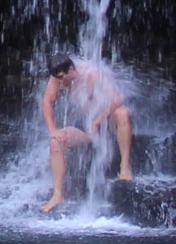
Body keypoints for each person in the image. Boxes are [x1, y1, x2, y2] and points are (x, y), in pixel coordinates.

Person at [38, 56, 134, 211]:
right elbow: (47, 101)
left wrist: (97, 121)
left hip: (107, 121)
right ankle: (58, 195)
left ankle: (124, 168)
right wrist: (53, 130)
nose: (60, 82)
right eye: (57, 79)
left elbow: (117, 100)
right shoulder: (57, 77)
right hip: (85, 124)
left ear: (71, 69)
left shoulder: (93, 74)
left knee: (123, 113)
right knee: (56, 142)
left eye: (62, 77)